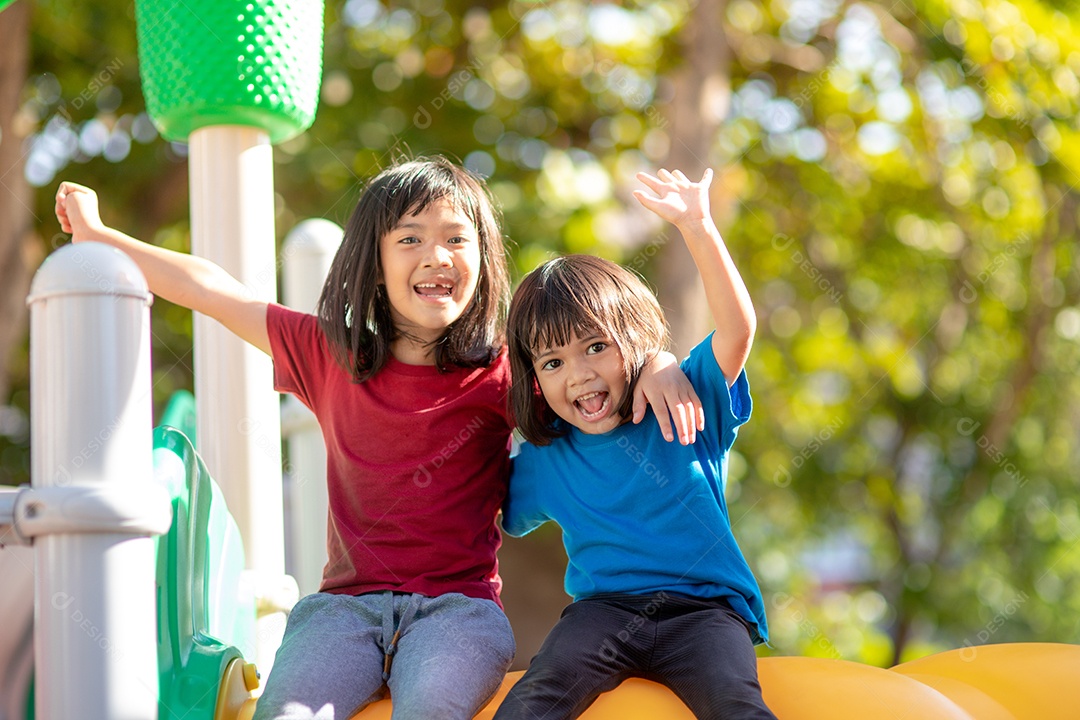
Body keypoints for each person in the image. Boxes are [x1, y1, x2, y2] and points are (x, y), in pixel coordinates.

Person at [54, 157, 704, 720]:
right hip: (343, 610)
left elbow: (591, 367)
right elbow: (214, 289)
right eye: (411, 238)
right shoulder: (328, 353)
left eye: (456, 238)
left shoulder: (505, 372)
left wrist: (659, 362)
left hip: (459, 612)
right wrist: (103, 237)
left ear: (482, 257)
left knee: (429, 709)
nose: (436, 256)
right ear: (375, 259)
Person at [496, 168, 777, 720]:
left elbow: (737, 331)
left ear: (633, 339)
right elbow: (483, 503)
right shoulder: (544, 461)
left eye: (595, 347)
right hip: (602, 616)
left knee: (736, 705)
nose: (578, 375)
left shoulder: (682, 404)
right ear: (534, 381)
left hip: (706, 612)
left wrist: (697, 226)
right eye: (553, 363)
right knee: (532, 700)